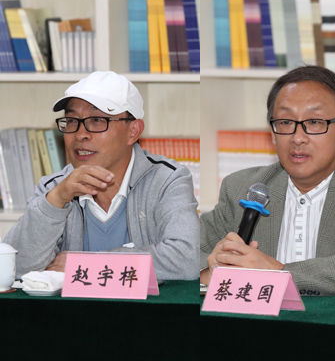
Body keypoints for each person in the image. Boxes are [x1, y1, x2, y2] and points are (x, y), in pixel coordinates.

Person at [199, 65, 335, 295]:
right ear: (273, 132)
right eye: (285, 122)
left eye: (314, 122)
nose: (297, 138)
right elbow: (187, 249)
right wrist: (209, 271)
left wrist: (279, 273)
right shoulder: (243, 188)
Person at [6, 71, 201, 280]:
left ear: (133, 131)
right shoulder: (54, 188)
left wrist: (84, 265)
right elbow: (15, 267)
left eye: (97, 120)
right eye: (71, 120)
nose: (80, 134)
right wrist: (56, 200)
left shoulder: (167, 180)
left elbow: (187, 260)